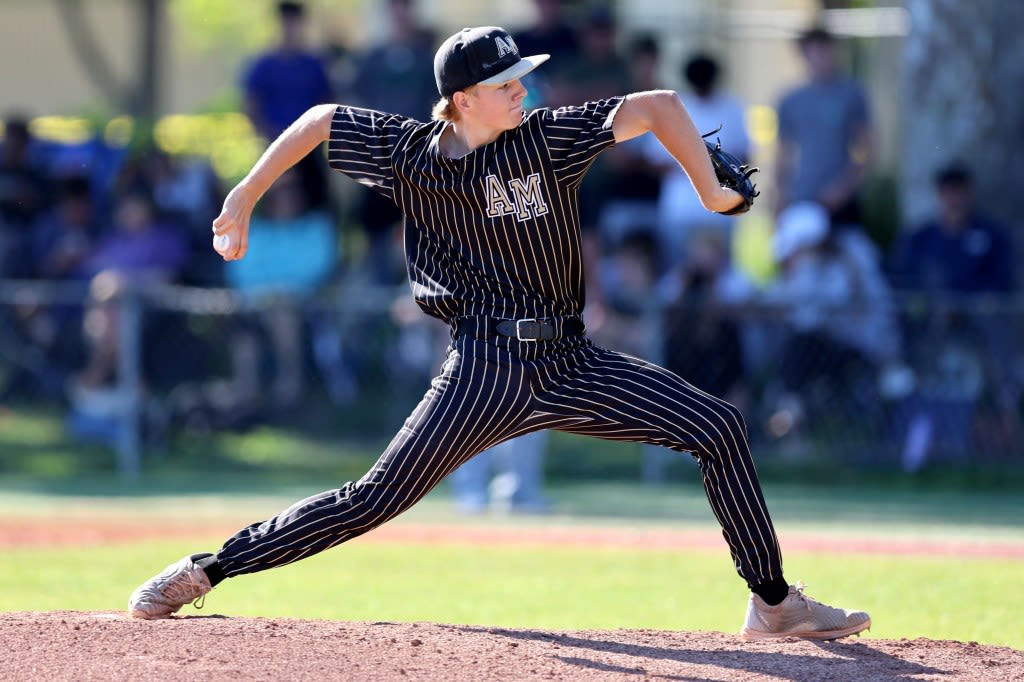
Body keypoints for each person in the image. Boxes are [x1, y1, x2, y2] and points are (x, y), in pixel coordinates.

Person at [127, 25, 870, 641]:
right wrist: (242, 196)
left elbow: (659, 104)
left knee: (718, 426)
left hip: (570, 358)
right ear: (462, 98)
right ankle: (207, 568)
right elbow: (318, 121)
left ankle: (773, 606)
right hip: (482, 367)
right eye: (508, 81)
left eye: (523, 78)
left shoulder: (545, 138)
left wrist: (709, 188)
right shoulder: (410, 153)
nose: (525, 89)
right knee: (372, 499)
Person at [774, 26, 872, 230]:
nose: (819, 57)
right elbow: (783, 153)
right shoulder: (790, 100)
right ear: (803, 54)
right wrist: (780, 195)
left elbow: (867, 147)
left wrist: (845, 187)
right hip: (802, 196)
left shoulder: (852, 93)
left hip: (842, 201)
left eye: (824, 50)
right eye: (813, 51)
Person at [242, 1, 333, 212]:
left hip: (310, 150)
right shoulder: (263, 66)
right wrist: (275, 138)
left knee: (317, 205)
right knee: (270, 205)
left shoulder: (314, 65)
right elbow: (251, 108)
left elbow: (327, 103)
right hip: (274, 150)